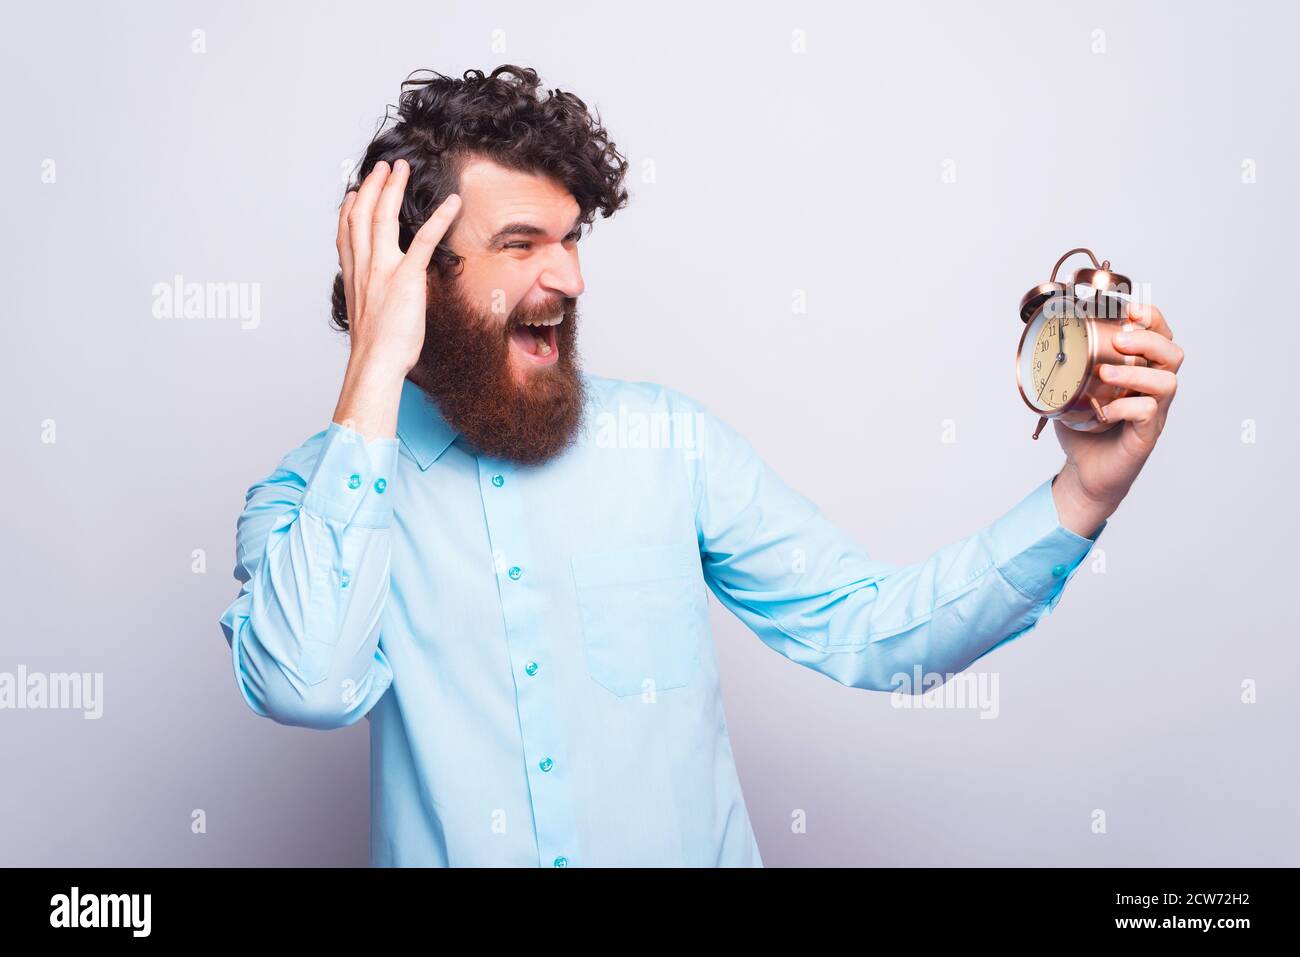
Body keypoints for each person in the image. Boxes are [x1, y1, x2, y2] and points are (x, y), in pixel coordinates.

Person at [218, 65, 1183, 867]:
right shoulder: (313, 497)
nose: (568, 278)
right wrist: (375, 367)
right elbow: (305, 684)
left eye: (572, 240)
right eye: (521, 244)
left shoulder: (670, 445)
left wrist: (1084, 491)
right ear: (413, 276)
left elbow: (876, 631)